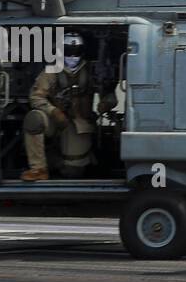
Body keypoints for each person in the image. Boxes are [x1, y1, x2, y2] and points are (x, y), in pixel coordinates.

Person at [20, 33, 116, 182]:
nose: (72, 56)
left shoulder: (91, 71)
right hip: (55, 119)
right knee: (34, 120)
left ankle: (56, 158)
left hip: (79, 123)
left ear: (82, 52)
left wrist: (106, 103)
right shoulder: (52, 71)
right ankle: (38, 168)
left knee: (72, 171)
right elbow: (36, 97)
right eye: (68, 51)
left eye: (76, 51)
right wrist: (53, 111)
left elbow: (110, 94)